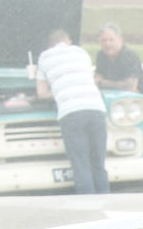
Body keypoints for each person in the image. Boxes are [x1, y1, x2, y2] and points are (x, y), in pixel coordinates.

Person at [95, 23, 143, 192]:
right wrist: (107, 83)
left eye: (111, 39)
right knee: (140, 154)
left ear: (120, 40)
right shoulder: (101, 57)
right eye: (104, 40)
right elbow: (97, 79)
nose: (108, 44)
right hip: (127, 115)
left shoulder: (129, 55)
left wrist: (104, 82)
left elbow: (131, 85)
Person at [36, 28, 109, 194]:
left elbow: (41, 93)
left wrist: (59, 90)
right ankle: (106, 203)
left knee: (81, 165)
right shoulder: (81, 53)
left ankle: (88, 208)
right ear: (68, 41)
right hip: (96, 109)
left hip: (71, 112)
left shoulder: (44, 57)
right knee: (98, 164)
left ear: (50, 45)